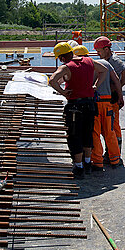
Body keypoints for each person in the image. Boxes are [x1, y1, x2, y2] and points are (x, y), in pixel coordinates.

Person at [49, 42, 108, 179]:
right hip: (89, 104)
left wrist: (63, 92)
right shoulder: (89, 61)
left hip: (75, 107)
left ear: (62, 57)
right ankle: (87, 163)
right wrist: (95, 86)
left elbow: (52, 80)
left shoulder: (66, 67)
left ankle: (79, 167)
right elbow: (104, 70)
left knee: (75, 136)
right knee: (87, 134)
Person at [73, 45, 123, 171]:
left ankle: (98, 162)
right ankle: (115, 159)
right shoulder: (104, 63)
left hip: (94, 104)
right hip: (108, 103)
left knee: (94, 133)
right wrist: (120, 97)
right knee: (109, 132)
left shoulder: (86, 66)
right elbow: (117, 80)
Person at [94, 36, 125, 158]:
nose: (97, 54)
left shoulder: (114, 60)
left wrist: (117, 87)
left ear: (106, 49)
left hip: (112, 98)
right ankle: (111, 152)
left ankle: (115, 153)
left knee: (113, 127)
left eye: (99, 51)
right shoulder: (108, 59)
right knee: (109, 127)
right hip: (110, 97)